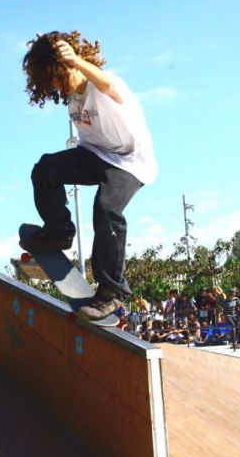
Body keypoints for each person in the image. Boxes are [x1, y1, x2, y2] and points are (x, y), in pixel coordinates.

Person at [21, 30, 158, 320]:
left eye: (59, 78)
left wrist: (78, 62)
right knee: (46, 169)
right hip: (95, 155)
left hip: (129, 162)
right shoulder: (71, 98)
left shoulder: (103, 84)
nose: (58, 86)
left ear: (69, 67)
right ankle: (59, 232)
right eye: (52, 83)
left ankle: (113, 292)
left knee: (106, 209)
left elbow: (105, 82)